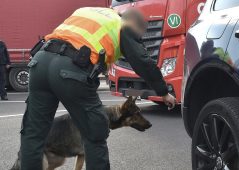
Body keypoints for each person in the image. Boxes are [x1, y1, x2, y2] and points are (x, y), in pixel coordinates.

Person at [20, 7, 176, 170]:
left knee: (33, 134)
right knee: (95, 132)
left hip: (40, 63)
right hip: (71, 70)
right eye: (140, 34)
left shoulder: (88, 11)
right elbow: (142, 61)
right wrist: (164, 92)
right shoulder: (122, 24)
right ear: (132, 22)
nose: (138, 38)